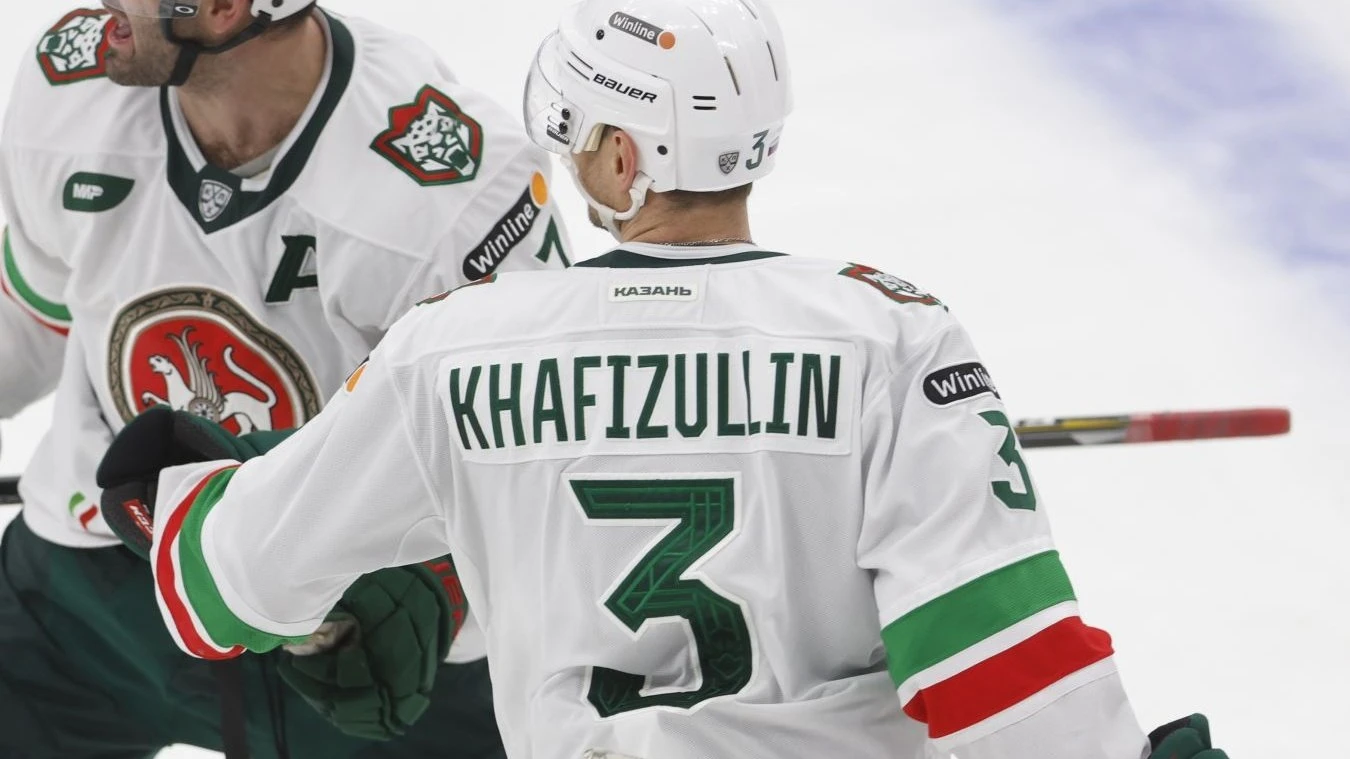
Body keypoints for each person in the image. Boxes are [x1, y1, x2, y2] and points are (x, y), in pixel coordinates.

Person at [93, 0, 1230, 756]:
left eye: (583, 129)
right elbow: (1007, 679)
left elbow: (228, 586)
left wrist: (188, 488)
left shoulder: (454, 349)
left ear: (625, 158)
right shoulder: (893, 335)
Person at [0, 0, 573, 756]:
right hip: (98, 589)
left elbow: (531, 468)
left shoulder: (455, 194)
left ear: (224, 8)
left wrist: (442, 592)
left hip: (358, 629)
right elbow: (35, 310)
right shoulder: (73, 89)